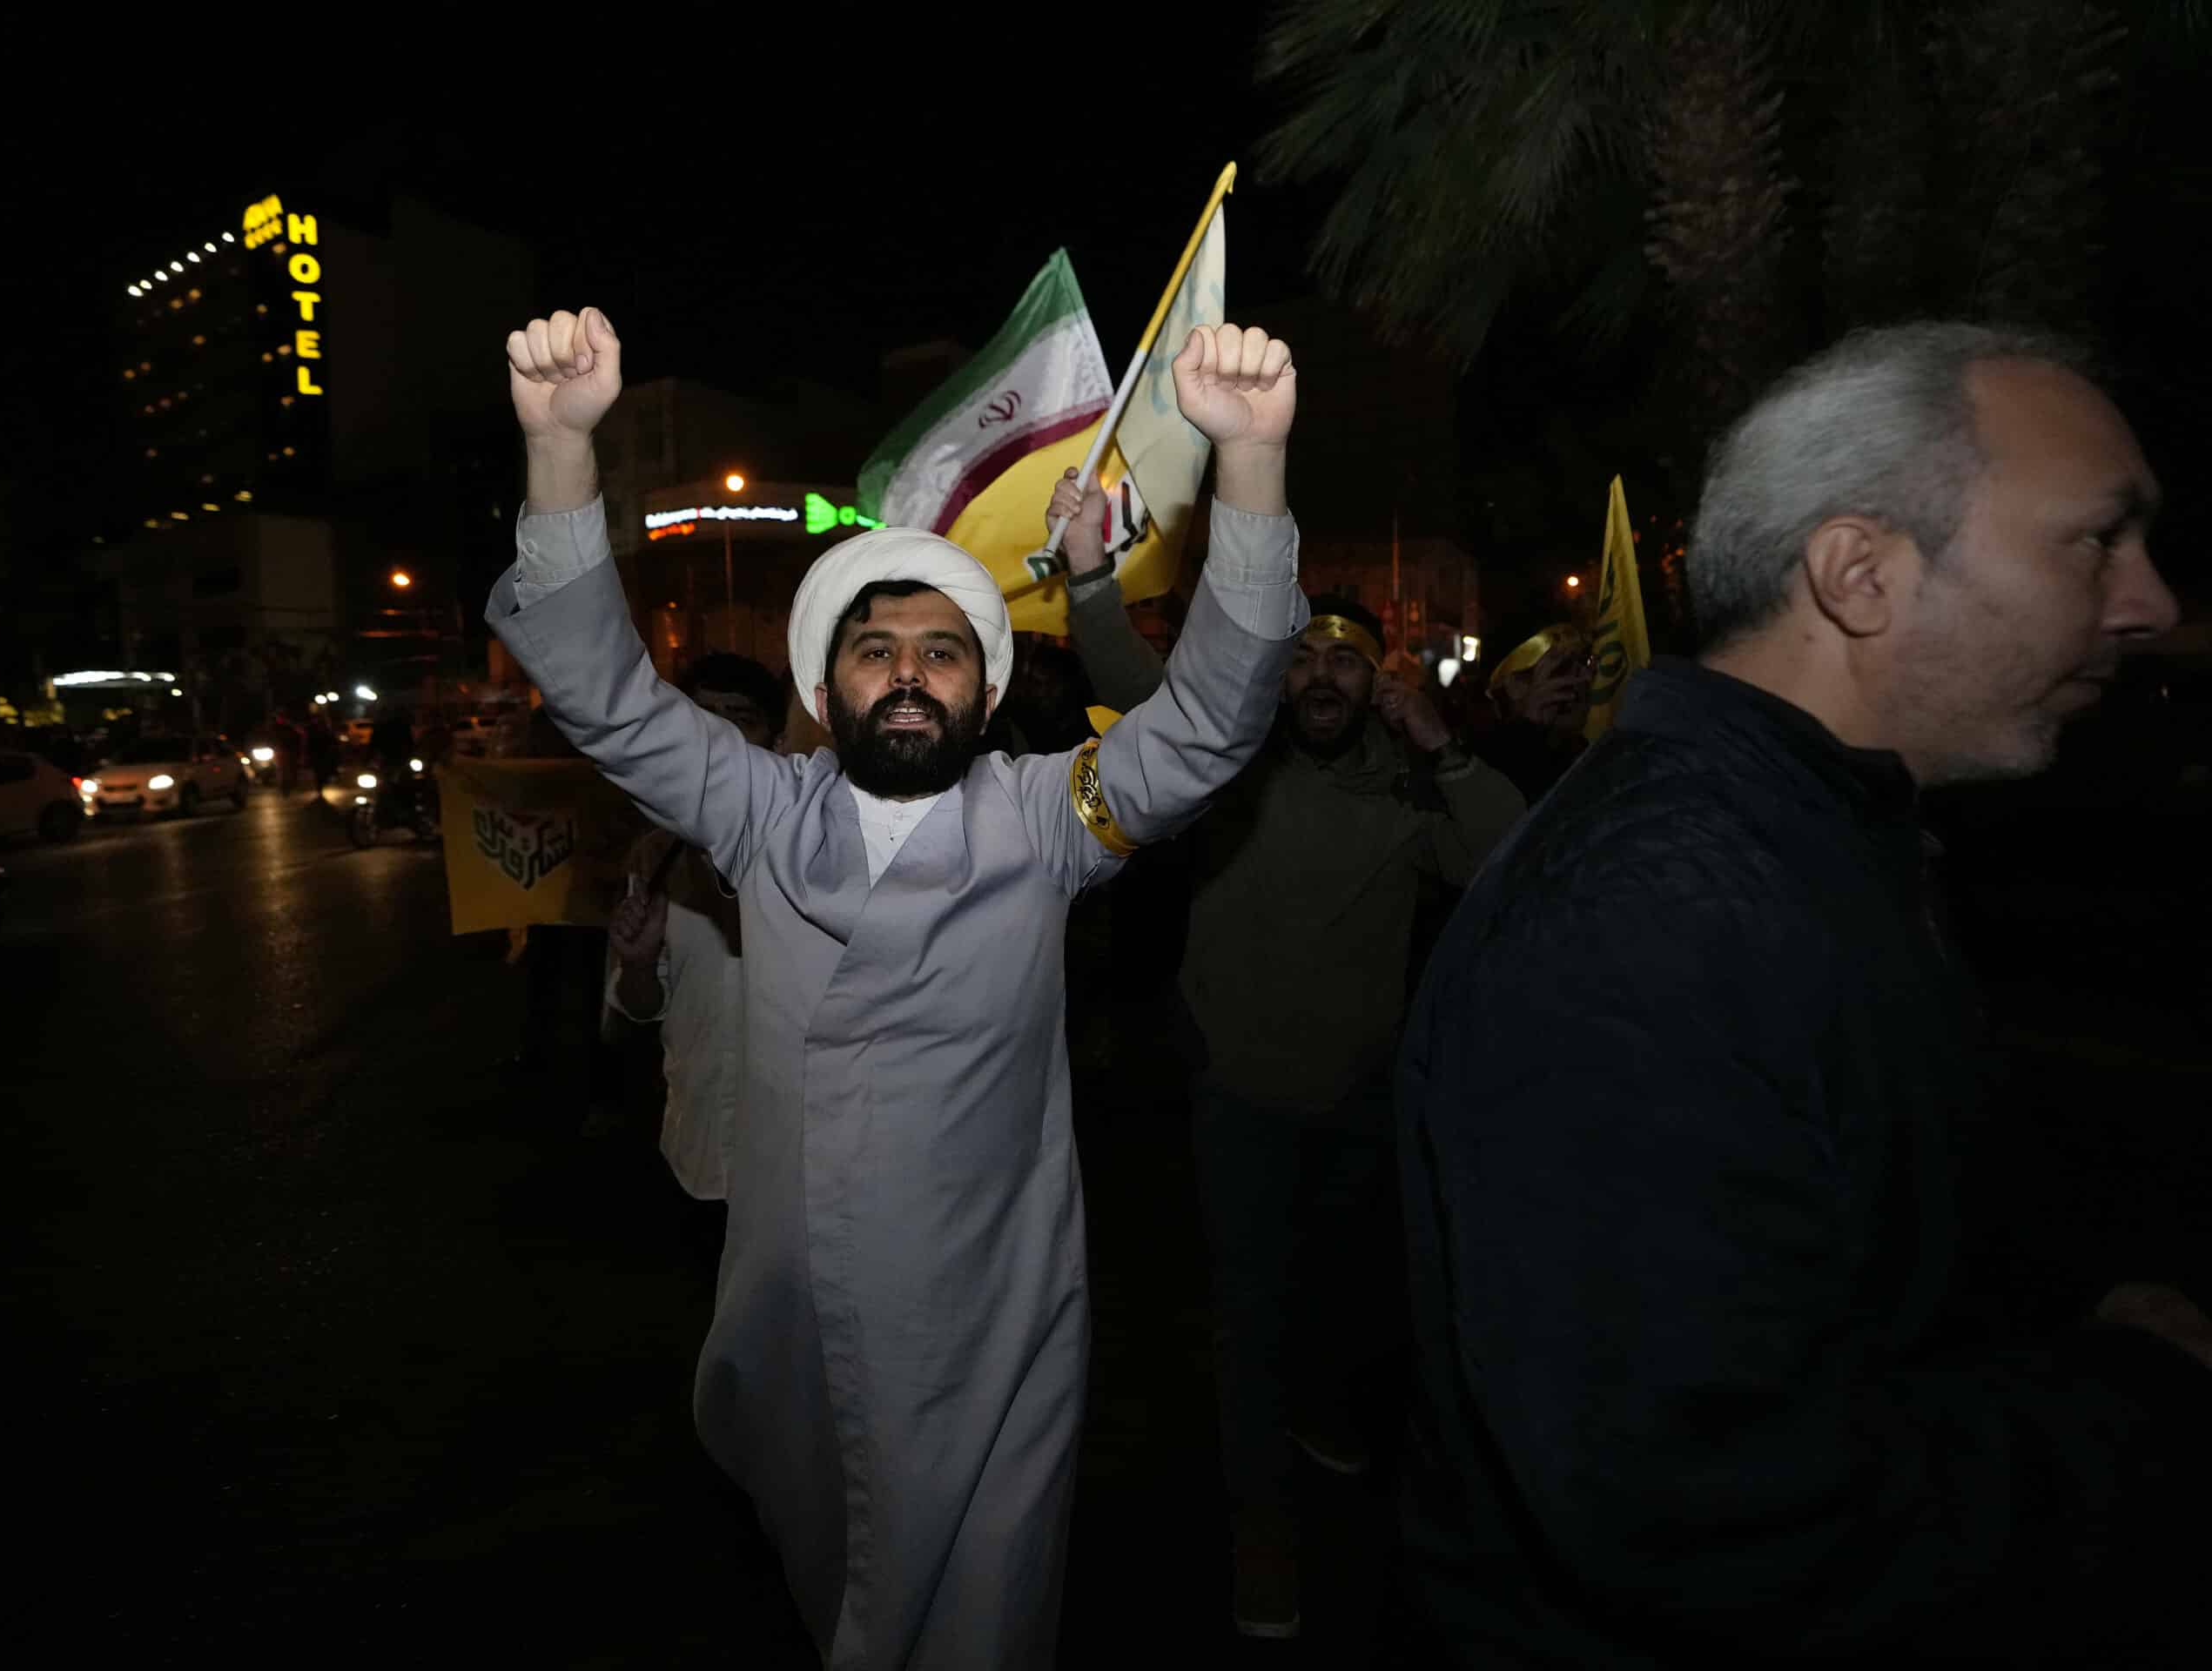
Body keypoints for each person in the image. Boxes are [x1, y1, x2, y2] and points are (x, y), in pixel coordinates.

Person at [488, 304, 1305, 1668]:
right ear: (829, 684)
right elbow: (611, 699)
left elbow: (1215, 721)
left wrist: (1254, 466)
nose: (909, 674)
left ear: (985, 699)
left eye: (943, 654)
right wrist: (564, 448)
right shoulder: (756, 810)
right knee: (837, 1579)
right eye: (877, 651)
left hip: (990, 1327)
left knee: (978, 1615)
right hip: (797, 1313)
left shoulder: (1056, 816)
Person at [1396, 323, 2209, 1667]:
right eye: (2094, 540)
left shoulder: (1815, 837)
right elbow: (1704, 1507)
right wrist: (2134, 1401)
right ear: (1861, 574)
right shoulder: (1655, 909)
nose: (2149, 603)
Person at [1063, 491, 1526, 1640]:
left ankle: (1325, 1408)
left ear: (1378, 683)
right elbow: (1132, 674)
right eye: (1305, 659)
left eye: (1346, 664)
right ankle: (1261, 1535)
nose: (1322, 678)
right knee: (1250, 1318)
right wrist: (1084, 581)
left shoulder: (1410, 786)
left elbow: (1508, 864)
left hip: (1366, 1098)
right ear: (1277, 676)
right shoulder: (1222, 757)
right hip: (1241, 1100)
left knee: (1351, 1292)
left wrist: (1444, 745)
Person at [602, 652, 787, 1273]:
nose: (722, 735)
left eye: (742, 718)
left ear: (778, 739)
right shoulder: (654, 856)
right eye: (704, 717)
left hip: (806, 1170)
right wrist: (637, 962)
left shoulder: (822, 847)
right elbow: (641, 1004)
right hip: (700, 1150)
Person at [1472, 621, 1592, 802]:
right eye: (1563, 668)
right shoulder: (1480, 766)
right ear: (1514, 685)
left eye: (1584, 661)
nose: (1586, 677)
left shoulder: (1594, 753)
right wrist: (1530, 733)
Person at [305, 711, 340, 802]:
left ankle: (323, 783)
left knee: (324, 771)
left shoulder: (327, 729)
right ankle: (319, 788)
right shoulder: (312, 729)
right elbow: (308, 742)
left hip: (325, 754)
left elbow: (333, 741)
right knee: (318, 772)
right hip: (317, 754)